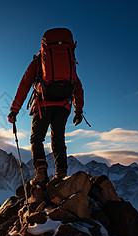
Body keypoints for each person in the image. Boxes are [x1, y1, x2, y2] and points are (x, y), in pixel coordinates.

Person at [7, 28, 84, 187]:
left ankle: (41, 176)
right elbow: (78, 88)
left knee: (37, 139)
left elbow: (24, 86)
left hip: (43, 104)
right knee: (58, 139)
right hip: (64, 106)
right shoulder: (69, 66)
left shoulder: (38, 62)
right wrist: (78, 111)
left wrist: (14, 110)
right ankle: (61, 175)